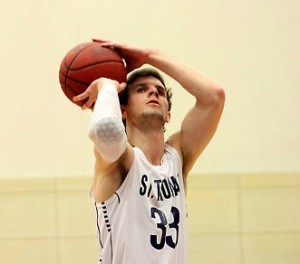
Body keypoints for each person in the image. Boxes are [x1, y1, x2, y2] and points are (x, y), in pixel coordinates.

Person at [73, 39, 225, 264]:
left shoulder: (177, 157)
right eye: (142, 90)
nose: (153, 92)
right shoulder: (120, 162)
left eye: (160, 92)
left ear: (168, 115)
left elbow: (214, 96)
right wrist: (107, 87)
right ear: (123, 110)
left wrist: (149, 54)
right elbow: (104, 130)